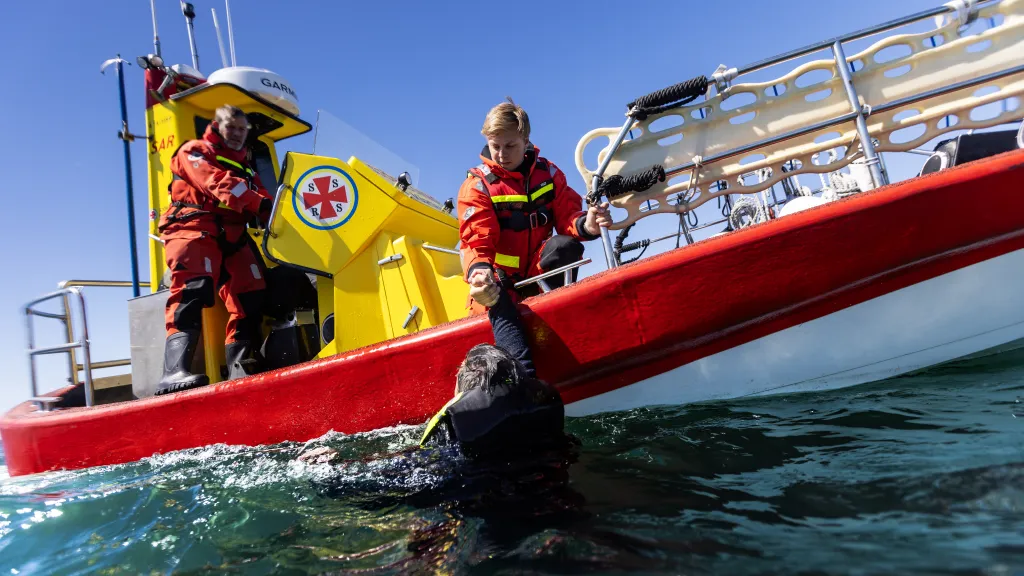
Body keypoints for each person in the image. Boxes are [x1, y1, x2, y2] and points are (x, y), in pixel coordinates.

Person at [457, 97, 612, 373]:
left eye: (510, 146)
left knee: (565, 247)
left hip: (537, 273)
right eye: (496, 146)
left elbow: (568, 218)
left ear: (526, 140)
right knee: (498, 291)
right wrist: (480, 274)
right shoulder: (477, 186)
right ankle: (523, 378)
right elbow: (476, 241)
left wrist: (588, 225)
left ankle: (566, 333)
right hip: (497, 283)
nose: (502, 154)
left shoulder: (549, 174)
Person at [155, 104, 273, 395]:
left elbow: (264, 195)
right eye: (230, 127)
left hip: (231, 235)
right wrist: (261, 205)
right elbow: (215, 182)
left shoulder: (245, 165)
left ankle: (243, 367)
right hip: (192, 227)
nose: (236, 134)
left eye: (241, 129)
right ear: (217, 127)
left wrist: (279, 209)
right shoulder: (194, 151)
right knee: (192, 290)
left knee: (252, 291)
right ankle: (172, 373)